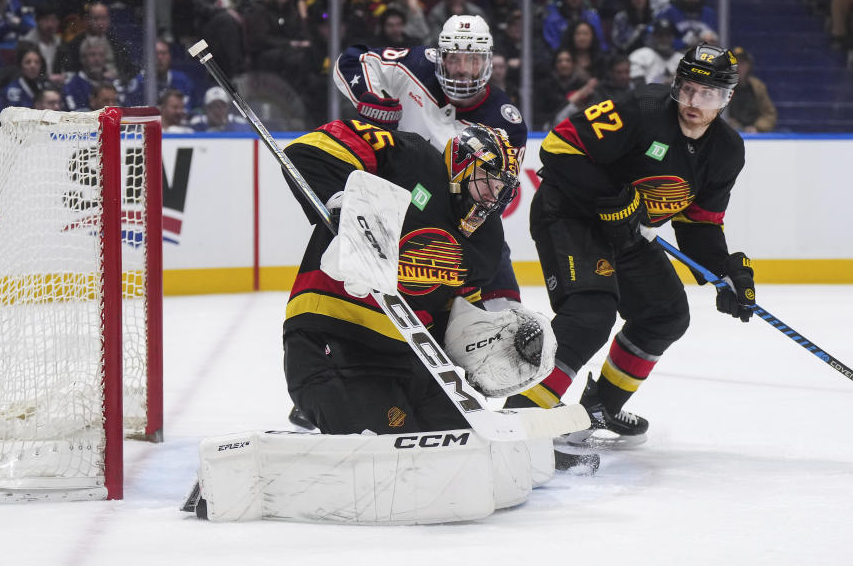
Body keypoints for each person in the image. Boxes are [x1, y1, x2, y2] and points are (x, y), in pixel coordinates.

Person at [504, 44, 755, 447]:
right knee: (590, 314)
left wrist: (726, 271)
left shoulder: (726, 151)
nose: (694, 103)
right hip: (573, 214)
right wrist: (615, 197)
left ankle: (599, 407)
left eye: (707, 95)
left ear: (726, 98)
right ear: (676, 85)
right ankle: (520, 422)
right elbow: (558, 147)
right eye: (688, 89)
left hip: (628, 233)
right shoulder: (642, 109)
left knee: (666, 314)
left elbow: (699, 225)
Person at [283, 121, 526, 434]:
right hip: (333, 341)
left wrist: (489, 347)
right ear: (464, 165)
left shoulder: (486, 237)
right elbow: (309, 148)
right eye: (488, 181)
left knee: (471, 441)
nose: (493, 197)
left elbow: (456, 319)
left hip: (412, 363)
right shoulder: (410, 158)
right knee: (392, 450)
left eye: (501, 189)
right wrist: (342, 205)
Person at [725, 47, 777, 133]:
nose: (738, 67)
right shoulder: (721, 88)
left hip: (755, 137)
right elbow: (714, 115)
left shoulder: (758, 87)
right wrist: (732, 125)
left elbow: (769, 114)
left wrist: (757, 127)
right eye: (734, 63)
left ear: (748, 66)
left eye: (742, 63)